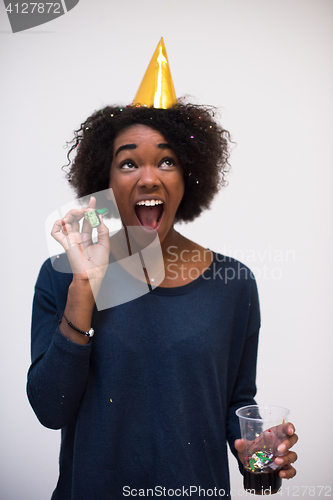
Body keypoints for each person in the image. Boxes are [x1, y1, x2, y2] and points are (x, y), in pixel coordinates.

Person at [27, 39, 297, 499]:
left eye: (166, 161)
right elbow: (51, 409)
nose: (148, 177)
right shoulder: (60, 275)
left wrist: (254, 451)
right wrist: (84, 287)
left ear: (188, 175)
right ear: (105, 181)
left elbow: (235, 403)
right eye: (128, 162)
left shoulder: (234, 284)